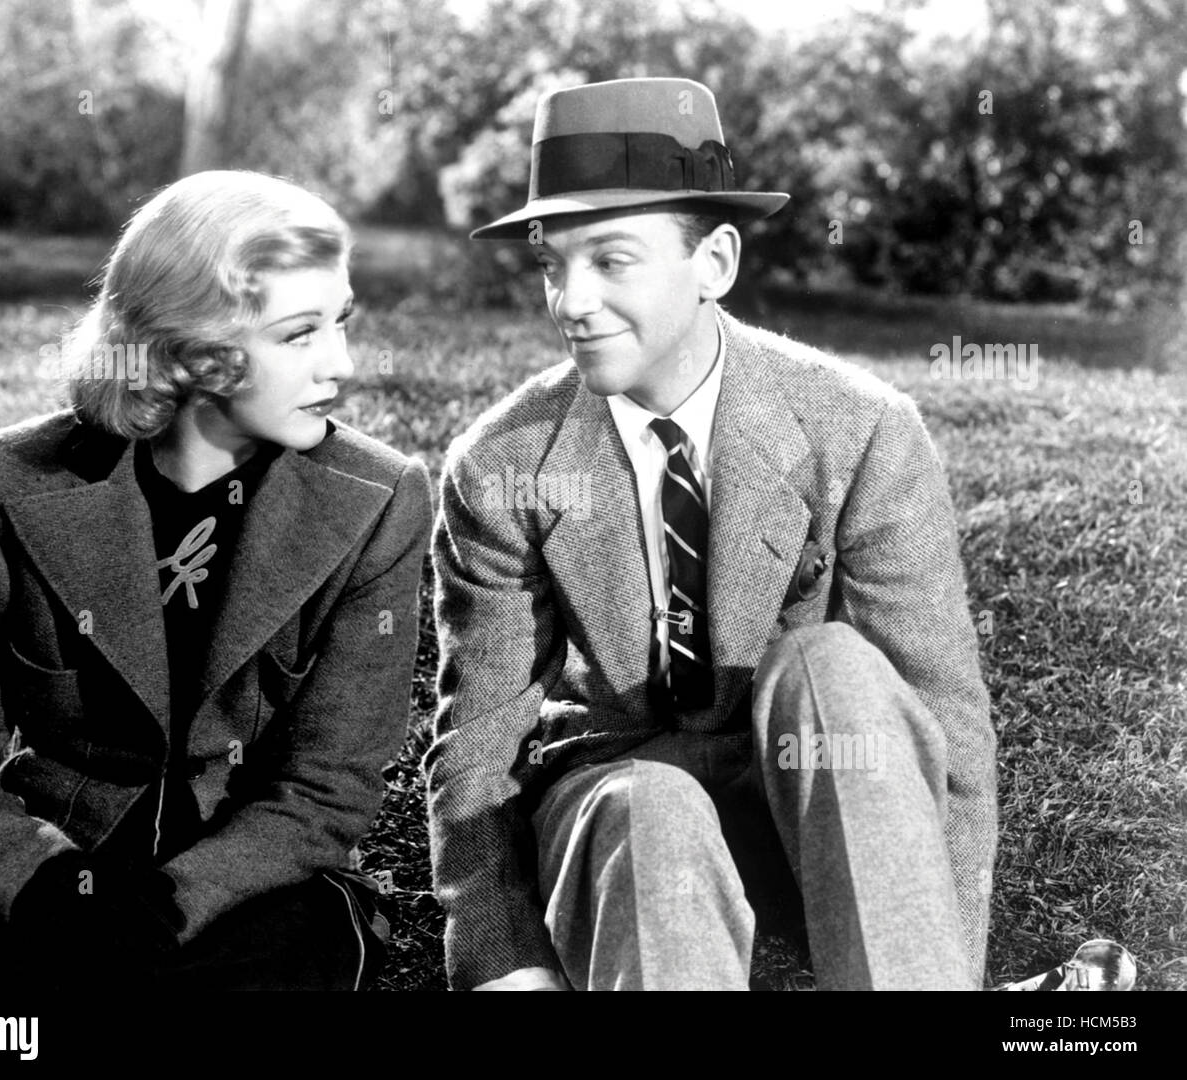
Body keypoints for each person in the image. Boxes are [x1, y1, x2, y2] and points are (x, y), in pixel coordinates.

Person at [425, 78, 998, 990]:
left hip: (814, 800)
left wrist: (943, 955)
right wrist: (502, 960)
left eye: (612, 260)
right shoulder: (503, 464)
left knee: (832, 668)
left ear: (716, 262)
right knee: (648, 808)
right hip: (622, 807)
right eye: (551, 264)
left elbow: (944, 715)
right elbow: (479, 741)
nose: (570, 301)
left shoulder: (859, 427)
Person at [0, 170, 433, 991]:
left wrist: (174, 902)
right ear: (195, 350)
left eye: (341, 323)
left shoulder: (379, 500)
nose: (343, 364)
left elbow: (330, 780)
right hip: (59, 875)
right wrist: (39, 881)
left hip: (260, 882)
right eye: (300, 334)